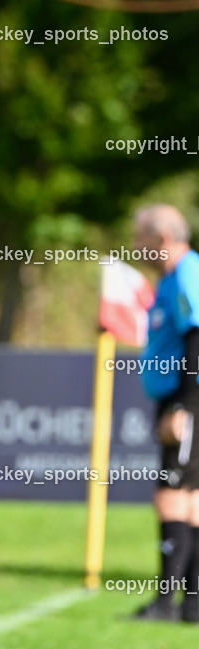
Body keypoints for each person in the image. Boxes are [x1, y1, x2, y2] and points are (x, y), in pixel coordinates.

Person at [134, 204, 199, 623]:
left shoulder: (188, 272)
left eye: (141, 237)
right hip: (179, 397)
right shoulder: (172, 279)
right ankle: (191, 605)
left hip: (186, 398)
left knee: (173, 494)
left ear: (162, 238)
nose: (136, 246)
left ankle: (164, 603)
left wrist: (184, 407)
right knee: (191, 497)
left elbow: (197, 335)